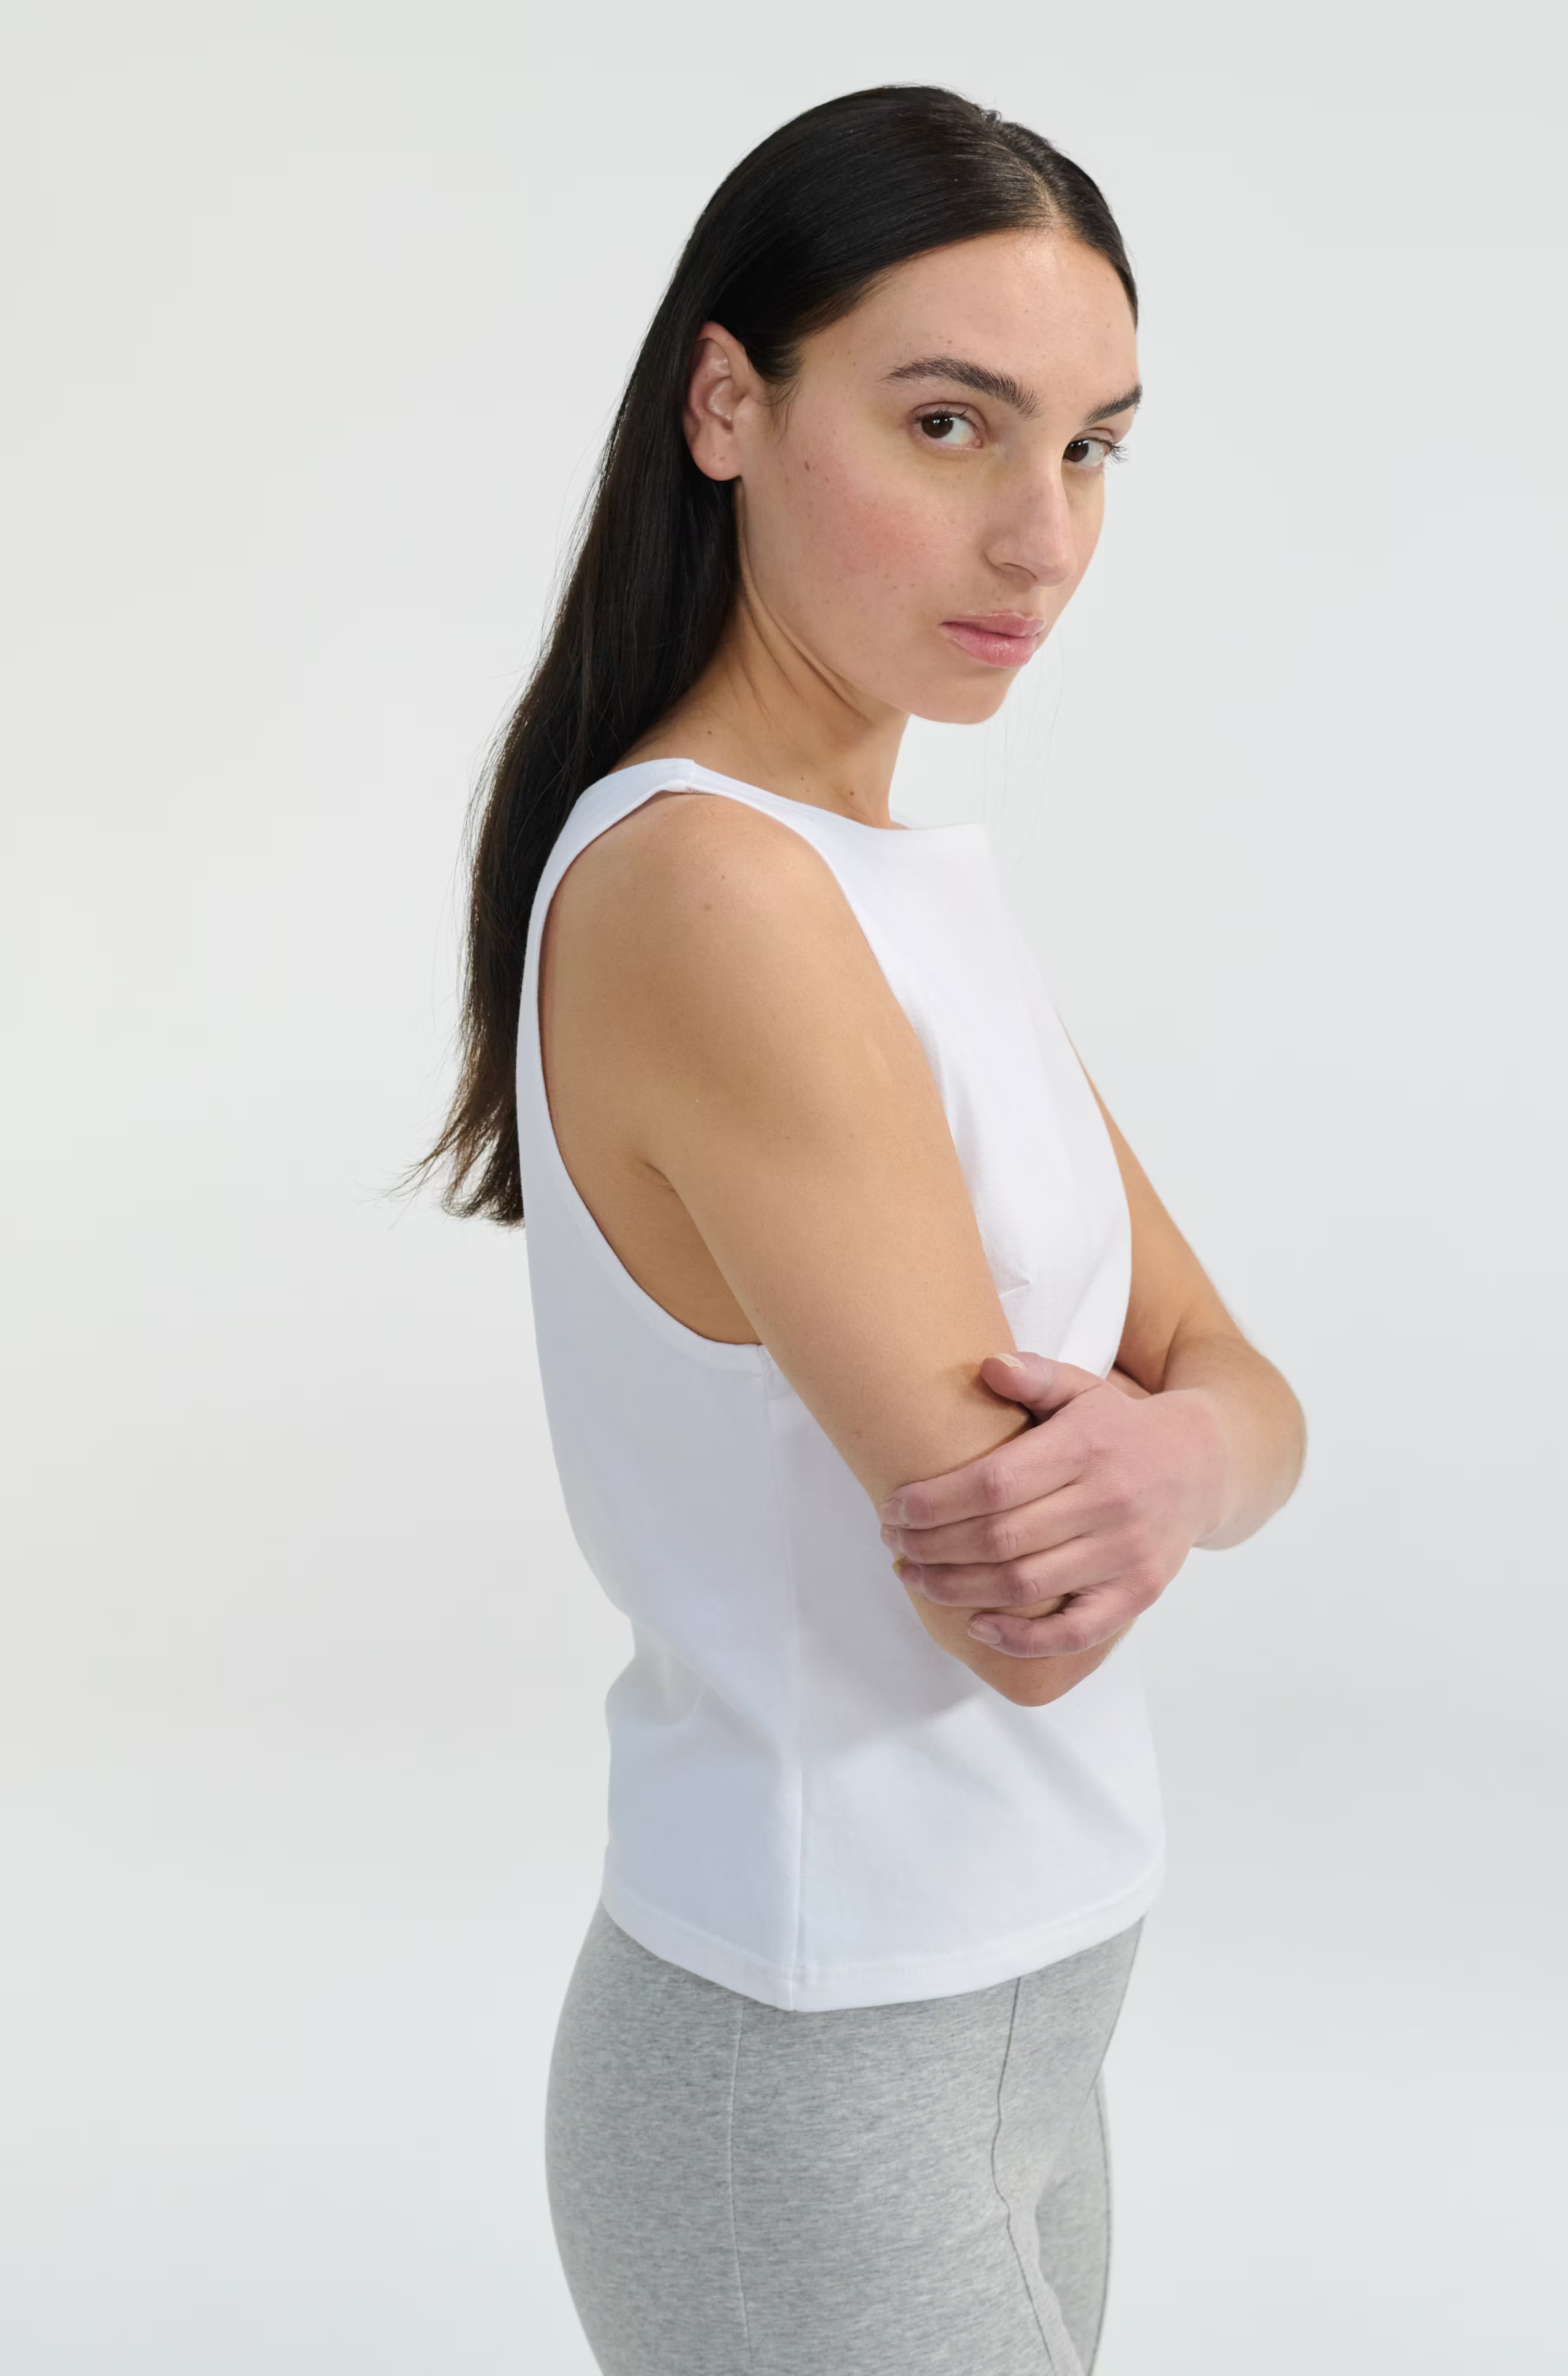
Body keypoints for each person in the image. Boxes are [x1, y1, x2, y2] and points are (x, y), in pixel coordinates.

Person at [410, 83, 1305, 2376]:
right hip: (817, 2058)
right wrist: (1171, 1454)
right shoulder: (716, 890)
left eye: (1096, 445)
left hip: (1017, 2016)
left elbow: (1247, 1393)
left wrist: (1183, 1462)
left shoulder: (896, 882)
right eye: (947, 423)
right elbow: (1025, 1615)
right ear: (729, 402)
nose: (1043, 535)